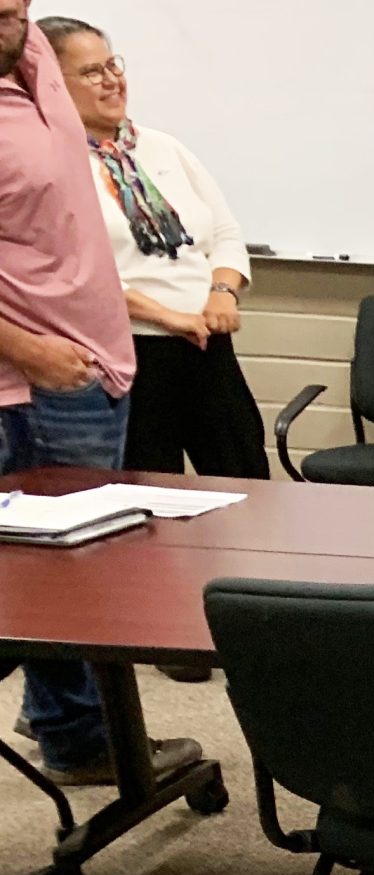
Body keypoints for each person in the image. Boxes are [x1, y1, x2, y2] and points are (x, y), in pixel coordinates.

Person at [0, 0, 196, 785]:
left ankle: (71, 728)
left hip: (93, 365)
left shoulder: (37, 57)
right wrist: (29, 352)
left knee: (82, 565)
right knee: (53, 573)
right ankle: (81, 742)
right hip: (31, 378)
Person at [40, 17, 267, 481]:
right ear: (52, 85)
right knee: (148, 492)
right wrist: (165, 316)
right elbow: (77, 272)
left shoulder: (162, 148)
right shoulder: (50, 164)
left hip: (206, 343)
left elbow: (224, 233)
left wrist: (222, 292)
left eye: (113, 65)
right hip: (130, 353)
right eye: (90, 73)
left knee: (245, 479)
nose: (112, 81)